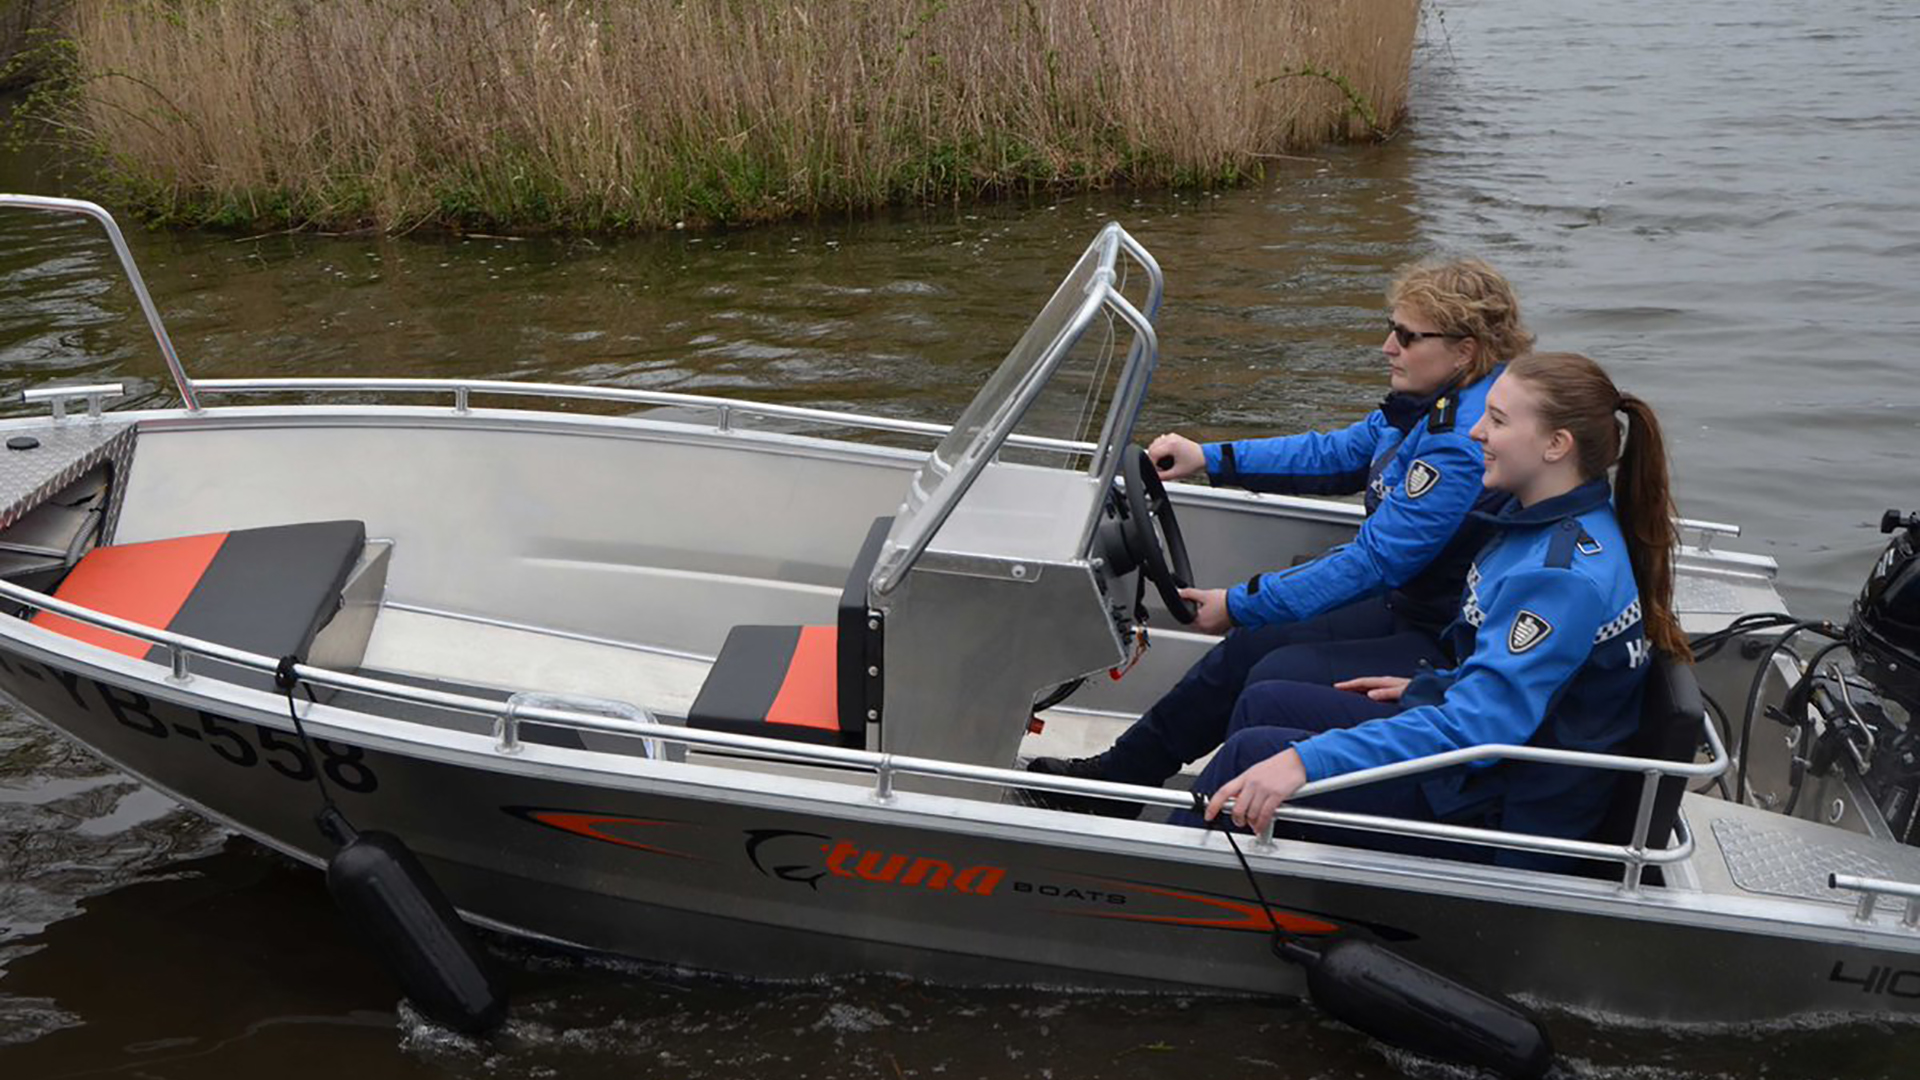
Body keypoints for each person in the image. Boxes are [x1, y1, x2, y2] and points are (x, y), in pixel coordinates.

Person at [1028, 258, 1534, 814]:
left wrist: (1241, 603)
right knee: (1254, 643)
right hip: (1410, 602)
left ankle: (1172, 811)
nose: (1388, 346)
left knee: (1265, 658)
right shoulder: (1431, 404)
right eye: (1392, 327)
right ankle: (1124, 779)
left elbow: (1374, 562)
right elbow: (1337, 454)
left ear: (1463, 350)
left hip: (1435, 630)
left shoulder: (1457, 441)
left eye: (1407, 336)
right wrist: (1211, 458)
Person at [1181, 352, 1693, 871]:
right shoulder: (1540, 520)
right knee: (1267, 702)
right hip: (1487, 767)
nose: (1475, 433)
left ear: (1556, 446)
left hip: (1502, 815)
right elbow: (1519, 691)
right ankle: (1238, 872)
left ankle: (1162, 885)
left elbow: (1480, 731)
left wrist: (1304, 761)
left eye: (1497, 420)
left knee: (1255, 754)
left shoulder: (1559, 576)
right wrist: (1434, 689)